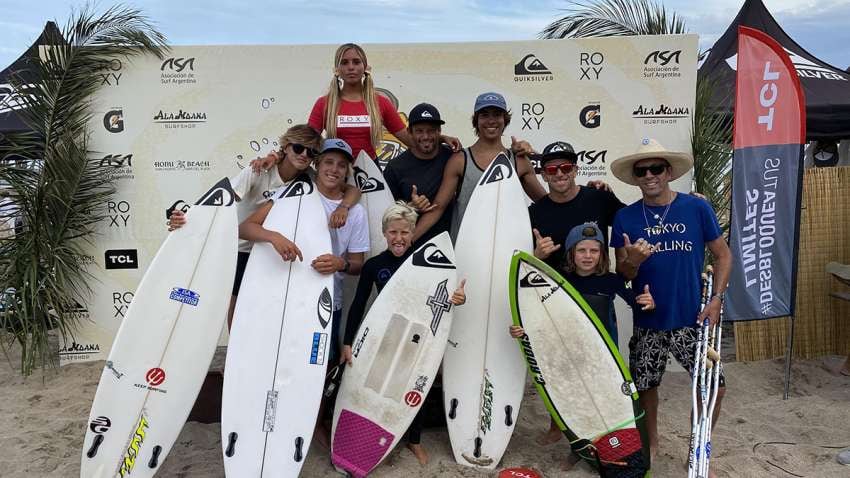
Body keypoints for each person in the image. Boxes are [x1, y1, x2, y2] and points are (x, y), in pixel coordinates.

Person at [609, 138, 732, 477]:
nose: (649, 175)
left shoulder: (696, 208)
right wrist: (631, 262)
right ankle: (652, 444)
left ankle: (699, 439)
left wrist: (717, 299)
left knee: (715, 386)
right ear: (635, 177)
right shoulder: (625, 217)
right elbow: (622, 274)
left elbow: (723, 254)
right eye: (642, 170)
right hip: (649, 320)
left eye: (656, 168)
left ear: (668, 172)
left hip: (692, 319)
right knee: (647, 387)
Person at [167, 124, 360, 328]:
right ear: (285, 147)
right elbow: (221, 200)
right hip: (243, 247)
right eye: (298, 148)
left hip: (272, 252)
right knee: (237, 304)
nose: (304, 155)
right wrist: (187, 219)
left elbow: (352, 190)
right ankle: (237, 354)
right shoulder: (258, 170)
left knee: (267, 306)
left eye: (311, 152)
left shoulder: (309, 178)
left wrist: (344, 207)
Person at [509, 222, 655, 449]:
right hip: (566, 351)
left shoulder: (611, 281)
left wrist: (647, 303)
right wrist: (520, 329)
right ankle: (574, 445)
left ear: (602, 254)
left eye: (594, 250)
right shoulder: (557, 280)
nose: (588, 256)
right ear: (571, 253)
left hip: (601, 357)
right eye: (581, 250)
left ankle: (605, 444)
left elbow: (636, 306)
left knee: (601, 400)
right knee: (568, 397)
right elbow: (536, 313)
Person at [342, 201, 466, 465]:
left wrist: (458, 299)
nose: (398, 238)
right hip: (386, 335)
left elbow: (442, 301)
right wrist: (347, 341)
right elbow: (358, 305)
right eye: (393, 232)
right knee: (380, 384)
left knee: (415, 387)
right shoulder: (374, 265)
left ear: (412, 232)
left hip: (419, 336)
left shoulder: (429, 263)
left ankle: (414, 440)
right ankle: (380, 427)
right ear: (384, 233)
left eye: (404, 232)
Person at [413, 92, 546, 242]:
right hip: (468, 249)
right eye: (484, 115)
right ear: (476, 120)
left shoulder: (519, 161)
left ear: (505, 120)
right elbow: (437, 209)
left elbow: (547, 203)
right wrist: (409, 240)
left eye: (497, 115)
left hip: (507, 248)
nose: (491, 121)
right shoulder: (460, 160)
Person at [308, 43, 460, 161]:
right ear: (337, 69)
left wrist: (441, 139)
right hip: (335, 172)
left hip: (369, 173)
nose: (351, 67)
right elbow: (308, 142)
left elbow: (409, 139)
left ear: (365, 67)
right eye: (345, 63)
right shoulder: (324, 103)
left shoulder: (380, 103)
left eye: (356, 62)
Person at [529, 141, 625, 271]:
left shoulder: (600, 198)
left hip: (598, 288)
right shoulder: (534, 213)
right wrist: (537, 256)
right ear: (544, 175)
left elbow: (630, 223)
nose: (559, 174)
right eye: (552, 170)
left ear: (575, 171)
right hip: (555, 289)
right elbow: (521, 261)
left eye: (566, 168)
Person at [382, 102, 454, 245]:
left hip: (450, 244)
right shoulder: (395, 167)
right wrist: (411, 207)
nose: (425, 136)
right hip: (410, 248)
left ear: (439, 131)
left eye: (431, 130)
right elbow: (387, 215)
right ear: (409, 132)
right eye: (419, 131)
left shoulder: (452, 157)